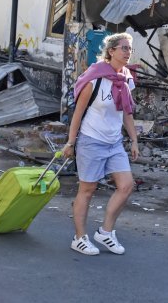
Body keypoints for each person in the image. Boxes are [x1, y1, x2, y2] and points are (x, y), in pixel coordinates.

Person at [63, 32, 140, 256]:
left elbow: (127, 112)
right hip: (91, 141)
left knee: (126, 186)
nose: (128, 52)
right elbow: (77, 113)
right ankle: (79, 238)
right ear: (111, 51)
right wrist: (71, 142)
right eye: (124, 48)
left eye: (130, 48)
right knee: (87, 190)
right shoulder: (95, 78)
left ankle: (105, 233)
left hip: (114, 142)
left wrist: (134, 140)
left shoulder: (126, 78)